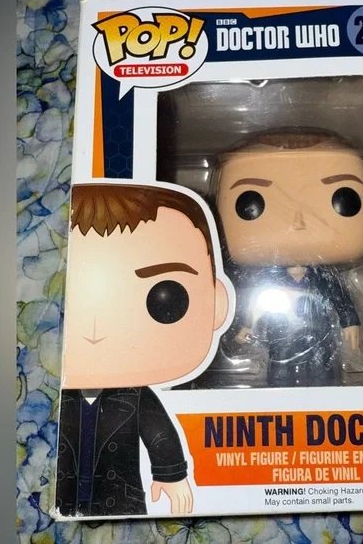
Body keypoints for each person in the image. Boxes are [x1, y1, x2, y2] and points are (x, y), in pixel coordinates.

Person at [56, 183, 231, 517]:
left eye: (165, 299)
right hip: (60, 496)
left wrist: (172, 475)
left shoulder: (136, 395)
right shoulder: (47, 393)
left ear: (217, 304)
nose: (96, 331)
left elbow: (160, 434)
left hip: (116, 501)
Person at [215, 128, 363, 387]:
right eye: (250, 203)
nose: (298, 222)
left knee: (323, 371)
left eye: (344, 199)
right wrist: (246, 327)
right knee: (280, 371)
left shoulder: (323, 277)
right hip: (281, 334)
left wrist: (350, 323)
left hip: (319, 334)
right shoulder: (267, 279)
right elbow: (255, 305)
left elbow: (340, 299)